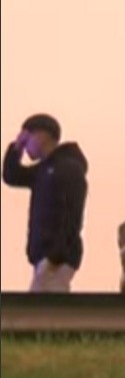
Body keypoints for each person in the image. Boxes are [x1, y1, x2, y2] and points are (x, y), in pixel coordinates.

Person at [2, 114, 89, 292]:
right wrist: (16, 148)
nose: (26, 146)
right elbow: (12, 175)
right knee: (44, 311)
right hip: (45, 258)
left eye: (28, 138)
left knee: (44, 314)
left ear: (43, 135)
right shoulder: (44, 171)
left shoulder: (67, 168)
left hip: (56, 259)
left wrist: (55, 255)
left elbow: (72, 214)